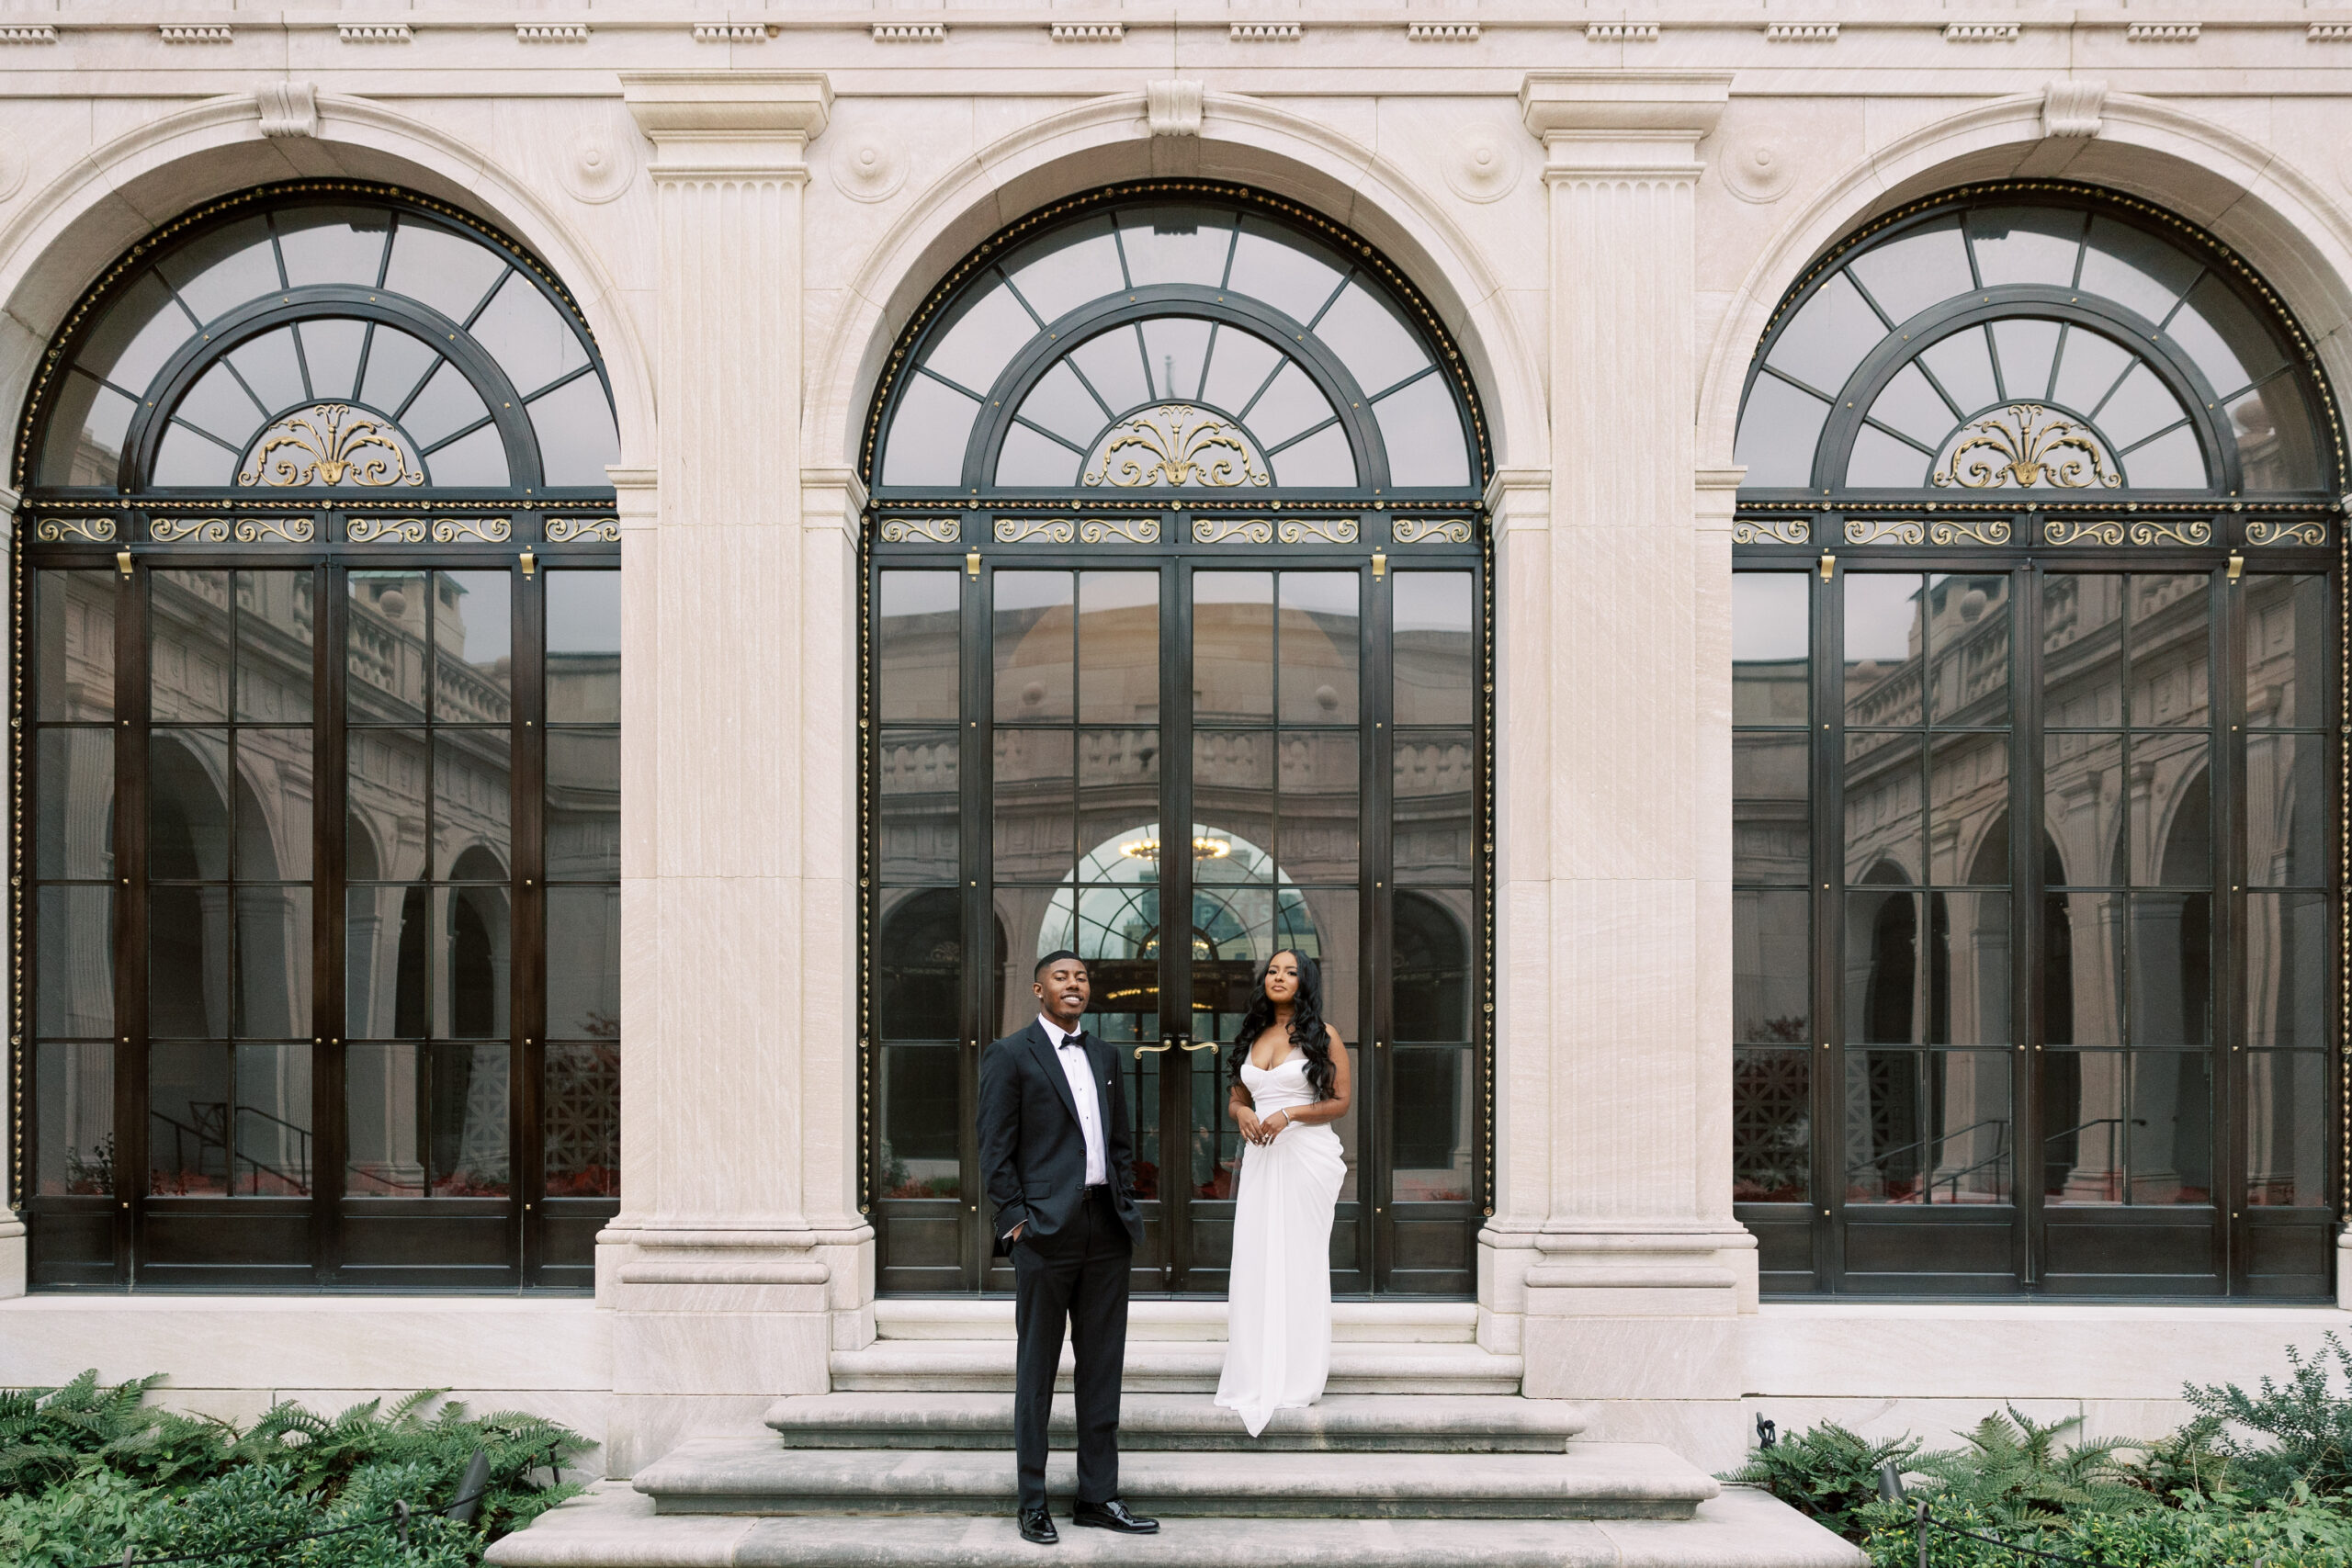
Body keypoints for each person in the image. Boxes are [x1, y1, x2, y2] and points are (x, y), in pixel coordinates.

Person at [978, 950, 1160, 1546]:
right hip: (1044, 1234)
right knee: (1036, 1371)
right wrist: (1016, 1221)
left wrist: (1124, 1196)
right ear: (1039, 989)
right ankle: (1032, 1500)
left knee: (1102, 1368)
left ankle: (1097, 1495)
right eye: (1062, 976)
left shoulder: (1106, 1055)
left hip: (1105, 1229)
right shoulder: (1009, 1055)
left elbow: (1121, 1140)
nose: (1073, 984)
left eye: (1081, 976)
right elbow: (995, 1148)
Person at [1213, 949, 1352, 1438]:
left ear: (1305, 981)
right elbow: (1237, 1096)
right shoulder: (1252, 1033)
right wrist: (1242, 1114)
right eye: (1273, 970)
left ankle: (1296, 1373)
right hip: (1261, 1157)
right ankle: (1254, 1370)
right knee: (1256, 1259)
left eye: (1290, 971)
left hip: (1306, 1157)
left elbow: (1340, 1102)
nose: (1279, 977)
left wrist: (1290, 1114)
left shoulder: (1323, 1035)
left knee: (1298, 1260)